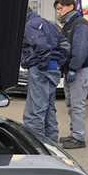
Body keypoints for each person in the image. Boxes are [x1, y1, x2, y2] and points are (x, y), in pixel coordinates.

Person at [54, 0, 88, 149]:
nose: (58, 12)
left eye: (60, 8)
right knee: (71, 105)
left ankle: (79, 138)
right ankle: (74, 134)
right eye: (57, 9)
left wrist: (73, 68)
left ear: (70, 6)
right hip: (71, 70)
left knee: (77, 106)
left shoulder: (81, 25)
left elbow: (81, 49)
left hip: (79, 70)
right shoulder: (69, 25)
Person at [21, 9, 69, 143]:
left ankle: (36, 145)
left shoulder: (30, 25)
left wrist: (42, 64)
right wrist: (57, 62)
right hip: (53, 68)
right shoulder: (51, 24)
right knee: (48, 109)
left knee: (34, 111)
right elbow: (65, 45)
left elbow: (42, 46)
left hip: (40, 69)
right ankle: (52, 144)